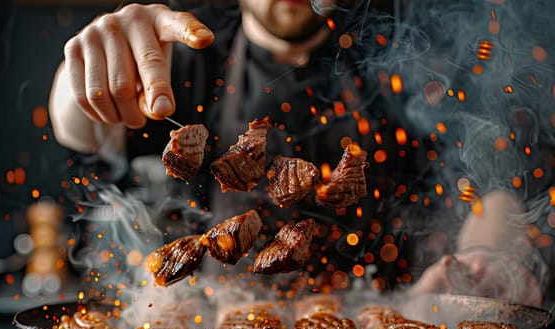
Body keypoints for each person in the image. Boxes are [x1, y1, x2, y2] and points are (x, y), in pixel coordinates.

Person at [48, 0, 553, 306]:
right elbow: (77, 125)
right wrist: (85, 70)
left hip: (384, 323)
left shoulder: (398, 64)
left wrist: (485, 258)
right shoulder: (192, 60)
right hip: (220, 325)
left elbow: (494, 185)